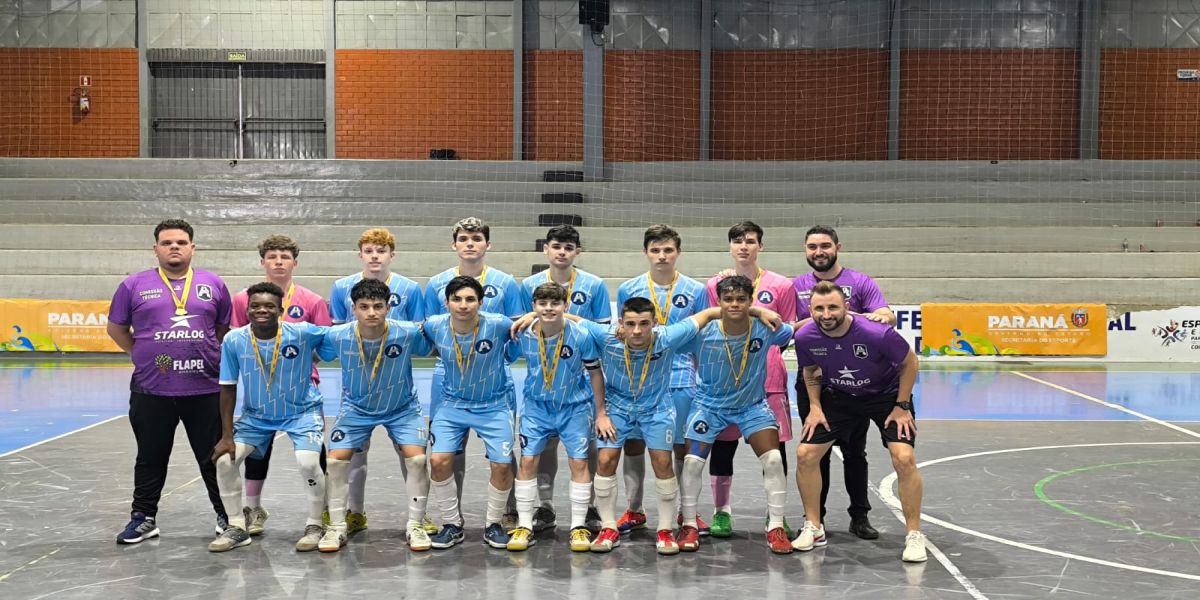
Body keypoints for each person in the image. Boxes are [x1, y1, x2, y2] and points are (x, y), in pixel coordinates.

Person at [577, 297, 781, 554]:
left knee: (663, 463)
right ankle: (608, 528)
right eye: (630, 324)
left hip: (658, 409)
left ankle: (664, 529)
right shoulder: (605, 335)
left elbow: (708, 314)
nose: (637, 330)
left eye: (643, 324)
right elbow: (571, 319)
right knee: (605, 460)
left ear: (655, 323)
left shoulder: (668, 336)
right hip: (617, 409)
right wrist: (531, 317)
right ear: (621, 324)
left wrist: (757, 310)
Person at [107, 219, 232, 544]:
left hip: (204, 388)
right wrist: (141, 353)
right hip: (152, 389)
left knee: (214, 456)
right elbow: (116, 329)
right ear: (156, 249)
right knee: (150, 455)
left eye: (180, 242)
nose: (174, 247)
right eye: (166, 243)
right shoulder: (132, 285)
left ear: (192, 247)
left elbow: (221, 330)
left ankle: (227, 516)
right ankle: (144, 517)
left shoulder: (214, 284)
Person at [791, 281, 927, 562]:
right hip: (840, 396)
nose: (826, 314)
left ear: (847, 307)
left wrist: (902, 405)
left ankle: (914, 535)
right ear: (810, 309)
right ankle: (814, 527)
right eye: (819, 308)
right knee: (806, 454)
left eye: (832, 308)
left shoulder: (876, 333)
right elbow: (811, 370)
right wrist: (815, 407)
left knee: (903, 457)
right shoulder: (806, 337)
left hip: (886, 396)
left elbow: (910, 362)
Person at [676, 276, 794, 554]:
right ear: (718, 301)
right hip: (709, 406)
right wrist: (709, 314)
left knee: (775, 459)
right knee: (691, 462)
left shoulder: (766, 329)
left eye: (742, 299)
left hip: (752, 405)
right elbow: (670, 337)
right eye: (728, 299)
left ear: (751, 300)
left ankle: (775, 525)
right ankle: (690, 523)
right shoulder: (702, 331)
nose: (735, 304)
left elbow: (793, 331)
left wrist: (759, 313)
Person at [208, 282, 329, 553]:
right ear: (247, 309)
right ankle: (238, 526)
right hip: (256, 417)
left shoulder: (302, 333)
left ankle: (315, 523)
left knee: (309, 463)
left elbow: (342, 336)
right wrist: (227, 436)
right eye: (256, 306)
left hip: (302, 412)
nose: (262, 310)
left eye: (269, 306)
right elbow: (227, 387)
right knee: (225, 462)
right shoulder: (234, 340)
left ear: (281, 310)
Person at [792, 225, 895, 541]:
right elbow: (787, 327)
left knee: (854, 451)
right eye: (812, 246)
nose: (818, 252)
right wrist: (817, 321)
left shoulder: (860, 282)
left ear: (837, 246)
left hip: (855, 380)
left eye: (825, 245)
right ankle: (815, 521)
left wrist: (861, 320)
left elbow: (886, 315)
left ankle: (859, 516)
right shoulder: (795, 286)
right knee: (814, 450)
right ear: (806, 250)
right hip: (813, 379)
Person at [315, 279, 433, 552]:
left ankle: (415, 525)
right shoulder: (337, 336)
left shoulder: (407, 332)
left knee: (417, 459)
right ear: (353, 308)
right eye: (364, 306)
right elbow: (311, 342)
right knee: (334, 462)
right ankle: (336, 527)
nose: (371, 312)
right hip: (355, 409)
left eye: (378, 306)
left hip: (402, 409)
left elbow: (433, 337)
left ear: (388, 307)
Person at [230, 235, 332, 536]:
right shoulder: (242, 300)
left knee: (311, 452)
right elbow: (237, 340)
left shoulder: (312, 301)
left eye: (284, 257)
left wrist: (295, 361)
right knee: (257, 449)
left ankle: (321, 508)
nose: (278, 262)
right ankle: (253, 507)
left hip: (301, 390)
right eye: (272, 256)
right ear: (262, 261)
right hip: (259, 388)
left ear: (294, 263)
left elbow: (323, 344)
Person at [614, 224, 712, 535]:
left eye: (668, 250)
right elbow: (624, 336)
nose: (661, 256)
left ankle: (687, 513)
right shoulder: (628, 289)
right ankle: (634, 508)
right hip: (639, 379)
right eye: (655, 250)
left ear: (678, 253)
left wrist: (702, 382)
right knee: (633, 443)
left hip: (682, 376)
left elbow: (700, 338)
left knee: (681, 447)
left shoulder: (696, 290)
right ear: (646, 253)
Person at [422, 218, 524, 517]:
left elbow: (515, 329)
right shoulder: (437, 283)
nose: (470, 244)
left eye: (476, 238)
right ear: (454, 244)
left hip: (495, 376)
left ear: (487, 244)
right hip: (448, 375)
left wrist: (495, 359)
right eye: (464, 238)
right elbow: (429, 331)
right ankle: (454, 509)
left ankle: (511, 509)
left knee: (503, 448)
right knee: (449, 446)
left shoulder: (505, 282)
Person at [328, 227, 426, 535]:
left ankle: (417, 516)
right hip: (356, 388)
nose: (375, 256)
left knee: (410, 453)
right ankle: (353, 513)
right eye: (369, 251)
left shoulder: (410, 289)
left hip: (395, 379)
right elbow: (335, 332)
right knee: (355, 451)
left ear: (391, 255)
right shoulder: (342, 287)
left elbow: (419, 333)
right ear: (360, 255)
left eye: (380, 251)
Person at [704, 221, 797, 538]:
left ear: (761, 246)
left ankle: (776, 515)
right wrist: (757, 312)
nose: (743, 246)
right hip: (725, 380)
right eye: (737, 241)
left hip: (768, 379)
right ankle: (721, 513)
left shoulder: (782, 285)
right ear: (730, 247)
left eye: (750, 241)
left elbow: (786, 331)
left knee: (774, 451)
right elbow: (711, 323)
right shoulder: (714, 284)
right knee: (722, 446)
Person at [520, 224, 611, 533]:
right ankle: (544, 506)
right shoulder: (529, 284)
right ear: (546, 249)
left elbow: (601, 333)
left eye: (568, 247)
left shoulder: (595, 284)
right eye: (556, 246)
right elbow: (524, 326)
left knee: (585, 450)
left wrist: (567, 319)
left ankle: (588, 506)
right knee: (543, 447)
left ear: (577, 252)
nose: (561, 252)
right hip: (544, 382)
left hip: (581, 381)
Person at [420, 276, 521, 550]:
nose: (463, 305)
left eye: (470, 299)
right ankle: (452, 525)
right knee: (439, 461)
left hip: (494, 405)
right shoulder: (433, 326)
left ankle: (494, 524)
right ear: (447, 302)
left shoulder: (499, 324)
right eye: (457, 299)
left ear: (481, 301)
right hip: (452, 405)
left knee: (502, 464)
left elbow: (532, 324)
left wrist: (535, 313)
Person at [508, 282, 605, 553]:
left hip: (574, 408)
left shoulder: (581, 335)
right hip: (536, 408)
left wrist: (601, 413)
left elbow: (596, 373)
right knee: (528, 461)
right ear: (533, 306)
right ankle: (525, 525)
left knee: (579, 462)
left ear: (566, 306)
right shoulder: (523, 335)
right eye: (542, 303)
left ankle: (578, 527)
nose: (548, 308)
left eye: (555, 303)